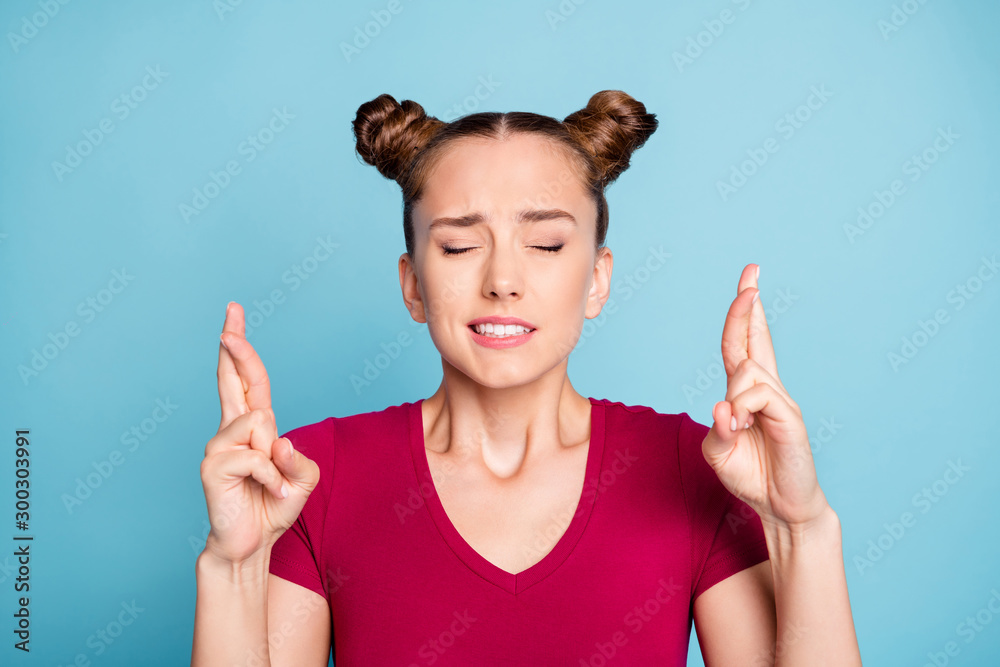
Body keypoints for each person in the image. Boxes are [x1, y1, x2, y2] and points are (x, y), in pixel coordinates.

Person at [192, 90, 862, 666]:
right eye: (458, 245)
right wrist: (233, 565)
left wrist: (800, 525)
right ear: (413, 285)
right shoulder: (309, 475)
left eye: (545, 244)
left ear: (597, 279)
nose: (502, 281)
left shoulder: (695, 469)